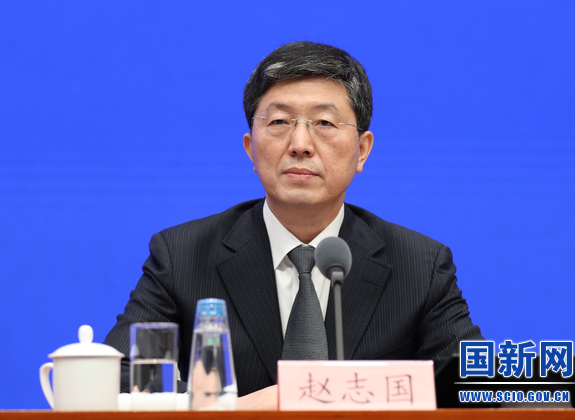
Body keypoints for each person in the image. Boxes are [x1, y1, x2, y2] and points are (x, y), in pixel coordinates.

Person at [104, 41, 483, 409]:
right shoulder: (183, 256)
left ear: (362, 150)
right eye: (280, 122)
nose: (300, 143)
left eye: (324, 122)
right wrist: (232, 408)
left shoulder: (419, 265)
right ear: (250, 148)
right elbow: (120, 375)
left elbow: (478, 387)